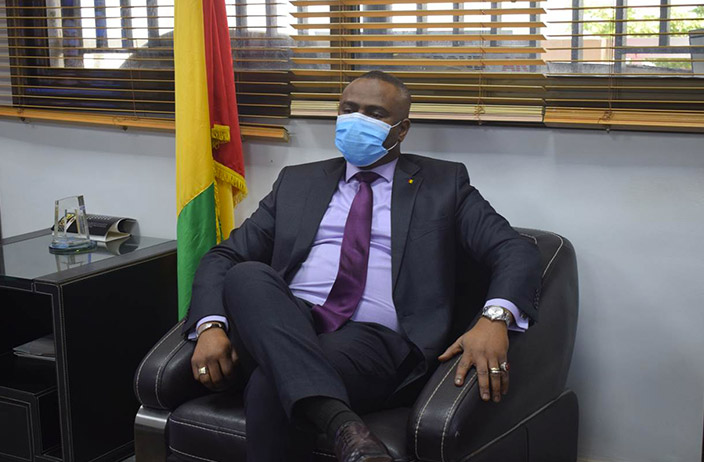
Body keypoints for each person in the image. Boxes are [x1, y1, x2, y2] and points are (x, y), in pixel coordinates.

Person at [183, 70, 541, 462]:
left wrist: (494, 318)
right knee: (247, 275)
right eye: (348, 109)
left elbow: (513, 248)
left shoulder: (444, 184)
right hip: (287, 320)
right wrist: (211, 326)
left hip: (373, 341)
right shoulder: (297, 182)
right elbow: (225, 256)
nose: (357, 120)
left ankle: (335, 419)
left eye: (374, 113)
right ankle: (346, 430)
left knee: (270, 384)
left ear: (401, 129)